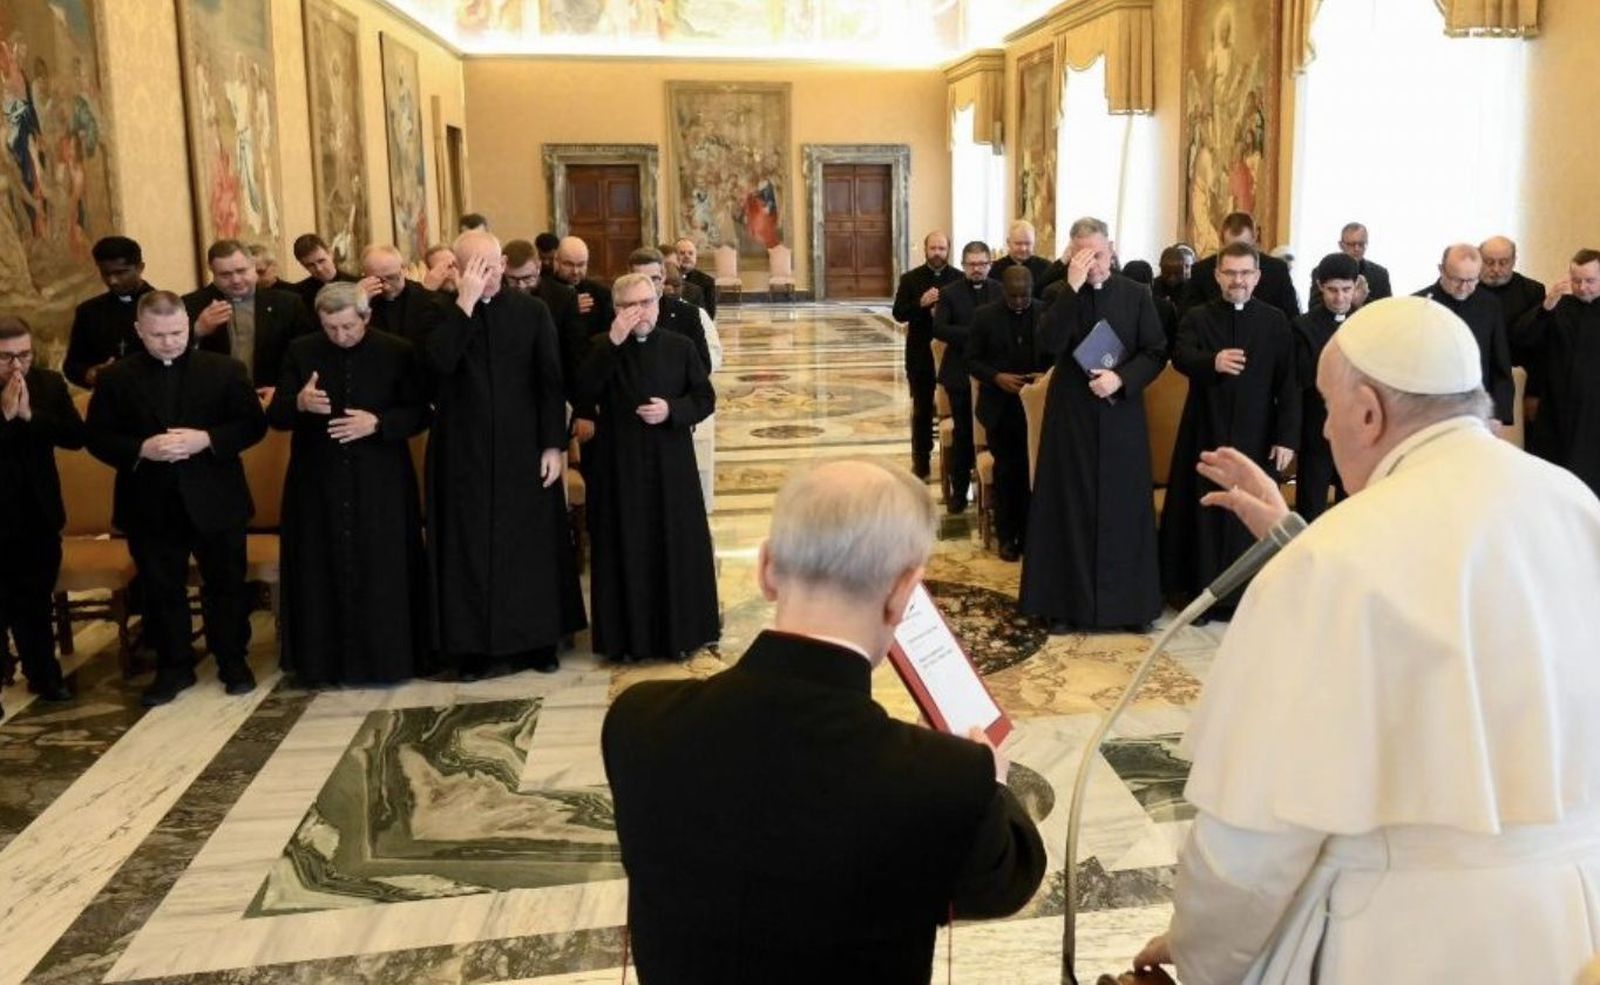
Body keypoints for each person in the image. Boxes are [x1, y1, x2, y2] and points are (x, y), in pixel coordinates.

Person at [1132, 296, 1600, 985]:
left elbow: (1252, 842)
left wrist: (1199, 948)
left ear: (1369, 412)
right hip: (1574, 925)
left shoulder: (1332, 560)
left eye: (1327, 406)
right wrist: (1295, 536)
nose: (1324, 428)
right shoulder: (1575, 503)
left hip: (1400, 941)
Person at [602, 458, 1046, 982]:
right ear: (903, 594)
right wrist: (992, 784)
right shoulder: (943, 776)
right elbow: (1005, 881)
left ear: (766, 568)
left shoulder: (637, 722)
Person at [86, 291, 267, 706]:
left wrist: (208, 439)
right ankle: (173, 667)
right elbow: (96, 437)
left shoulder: (225, 370)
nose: (169, 342)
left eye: (176, 333)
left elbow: (252, 425)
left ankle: (232, 661)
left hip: (216, 498)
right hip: (149, 501)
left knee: (226, 584)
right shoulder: (116, 378)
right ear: (139, 330)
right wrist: (140, 449)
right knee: (160, 588)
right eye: (158, 335)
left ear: (188, 325)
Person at [422, 230, 586, 677]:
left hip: (524, 450)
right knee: (468, 550)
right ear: (458, 269)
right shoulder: (438, 312)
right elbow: (436, 367)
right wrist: (464, 304)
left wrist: (553, 444)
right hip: (462, 454)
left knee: (529, 547)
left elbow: (550, 381)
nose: (489, 275)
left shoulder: (532, 311)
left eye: (493, 266)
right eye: (477, 268)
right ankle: (472, 649)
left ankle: (538, 642)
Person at [266, 283, 431, 687]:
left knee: (382, 569)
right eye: (331, 328)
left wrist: (378, 423)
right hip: (317, 482)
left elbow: (420, 413)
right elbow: (277, 417)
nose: (340, 336)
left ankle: (387, 660)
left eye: (348, 327)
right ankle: (323, 664)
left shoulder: (397, 351)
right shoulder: (301, 351)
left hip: (380, 482)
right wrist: (299, 403)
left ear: (366, 316)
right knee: (320, 570)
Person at [1020, 217, 1168, 633]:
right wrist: (1071, 287)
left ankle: (1131, 608)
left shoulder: (1136, 295)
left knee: (1124, 508)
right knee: (1069, 506)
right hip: (1072, 416)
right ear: (1071, 255)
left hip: (1121, 414)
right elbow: (1047, 345)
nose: (1094, 266)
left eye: (1099, 256)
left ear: (1112, 249)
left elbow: (1155, 351)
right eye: (1083, 257)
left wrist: (1120, 379)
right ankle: (1065, 608)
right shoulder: (1058, 293)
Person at [576, 273, 719, 663]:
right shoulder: (601, 346)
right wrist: (613, 342)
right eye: (630, 305)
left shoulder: (680, 346)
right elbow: (583, 390)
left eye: (648, 302)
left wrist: (673, 410)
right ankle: (628, 640)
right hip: (619, 465)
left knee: (674, 545)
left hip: (671, 464)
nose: (641, 312)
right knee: (626, 546)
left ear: (658, 303)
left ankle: (681, 633)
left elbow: (704, 398)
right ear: (616, 309)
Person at [1158, 242, 1298, 618]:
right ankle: (1200, 595)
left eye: (1245, 273)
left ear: (1257, 277)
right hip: (1205, 430)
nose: (1238, 281)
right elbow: (1181, 356)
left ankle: (1245, 599)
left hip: (1257, 434)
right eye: (1231, 273)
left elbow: (1288, 384)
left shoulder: (1275, 322)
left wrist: (1286, 436)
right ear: (1218, 276)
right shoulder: (1198, 317)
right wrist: (1213, 361)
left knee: (1248, 515)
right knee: (1204, 514)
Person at [0, 316, 85, 712]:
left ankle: (44, 674)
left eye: (25, 355)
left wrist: (30, 416)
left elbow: (75, 437)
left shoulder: (48, 384)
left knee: (35, 600)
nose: (17, 365)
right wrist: (4, 416)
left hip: (38, 510)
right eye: (6, 357)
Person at [966, 267, 1049, 561]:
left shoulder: (1045, 312)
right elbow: (971, 360)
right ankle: (1006, 536)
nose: (1018, 301)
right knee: (1007, 472)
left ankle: (1031, 536)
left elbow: (1058, 355)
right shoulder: (984, 316)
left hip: (1037, 408)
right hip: (1001, 407)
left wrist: (1045, 376)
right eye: (1013, 296)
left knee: (1034, 473)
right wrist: (997, 377)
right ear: (1003, 291)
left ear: (1031, 290)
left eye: (1024, 295)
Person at [630, 247, 723, 511]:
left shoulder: (687, 315)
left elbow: (702, 367)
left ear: (662, 277)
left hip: (674, 424)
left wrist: (673, 406)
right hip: (631, 430)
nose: (649, 286)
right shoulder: (617, 316)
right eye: (641, 279)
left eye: (654, 279)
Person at [183, 239, 314, 392]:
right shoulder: (192, 305)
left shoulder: (287, 304)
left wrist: (284, 389)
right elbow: (172, 359)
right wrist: (197, 331)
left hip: (272, 396)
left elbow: (305, 355)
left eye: (241, 271)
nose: (236, 280)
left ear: (253, 267)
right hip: (214, 397)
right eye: (225, 275)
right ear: (213, 272)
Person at [1521, 249, 1600, 495]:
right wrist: (1545, 307)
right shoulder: (1558, 306)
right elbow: (1524, 341)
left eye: (1590, 281)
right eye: (1576, 281)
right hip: (1557, 408)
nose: (1582, 288)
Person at [1413, 244, 1515, 426]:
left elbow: (1500, 365)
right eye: (1457, 280)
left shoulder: (1490, 304)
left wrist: (1498, 414)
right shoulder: (1418, 304)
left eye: (1471, 280)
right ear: (1441, 270)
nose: (1464, 287)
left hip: (1476, 410)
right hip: (1430, 409)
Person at [932, 240, 1000, 512]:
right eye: (972, 264)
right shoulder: (950, 293)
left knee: (995, 433)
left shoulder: (1000, 290)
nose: (977, 269)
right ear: (963, 266)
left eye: (982, 264)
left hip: (993, 375)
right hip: (959, 374)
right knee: (963, 435)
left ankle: (994, 493)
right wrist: (976, 334)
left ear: (990, 265)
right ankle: (959, 492)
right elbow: (939, 329)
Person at [1293, 253, 1359, 520]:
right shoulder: (1303, 326)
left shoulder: (1366, 322)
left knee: (1351, 509)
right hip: (1316, 428)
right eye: (1332, 290)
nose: (1340, 297)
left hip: (1356, 432)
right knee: (1310, 509)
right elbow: (1300, 378)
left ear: (1356, 285)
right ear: (1320, 286)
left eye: (1346, 289)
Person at [892, 231, 960, 480]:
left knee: (957, 408)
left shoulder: (958, 279)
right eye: (933, 248)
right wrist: (920, 304)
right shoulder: (910, 279)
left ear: (948, 250)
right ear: (925, 249)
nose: (937, 253)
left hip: (953, 356)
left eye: (942, 248)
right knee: (921, 409)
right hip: (920, 355)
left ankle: (956, 461)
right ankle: (921, 460)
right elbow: (899, 314)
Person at [64, 235, 155, 388]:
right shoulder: (88, 312)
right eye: (106, 273)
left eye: (120, 273)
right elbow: (72, 366)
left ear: (140, 268)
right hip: (107, 399)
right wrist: (89, 374)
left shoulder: (165, 307)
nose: (113, 281)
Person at [502, 238, 586, 397]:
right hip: (507, 387)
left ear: (538, 267)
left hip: (549, 387)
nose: (521, 286)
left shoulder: (563, 297)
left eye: (527, 278)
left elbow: (573, 354)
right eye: (512, 279)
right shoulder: (495, 297)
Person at [1183, 212, 1301, 320]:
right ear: (1221, 241)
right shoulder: (1202, 271)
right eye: (1231, 249)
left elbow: (1291, 318)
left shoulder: (1276, 271)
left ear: (1254, 238)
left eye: (1244, 248)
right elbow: (1189, 319)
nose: (1238, 255)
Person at [1481, 234, 1548, 368]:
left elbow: (1536, 339)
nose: (1496, 269)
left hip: (1517, 367)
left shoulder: (1532, 290)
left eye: (1503, 262)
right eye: (1489, 262)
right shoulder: (1467, 287)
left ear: (1514, 261)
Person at [359, 243, 439, 347]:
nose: (386, 287)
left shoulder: (428, 301)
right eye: (377, 280)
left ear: (403, 270)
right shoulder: (360, 296)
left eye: (392, 278)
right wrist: (358, 303)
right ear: (365, 276)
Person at [553, 235, 616, 338]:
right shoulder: (544, 290)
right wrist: (568, 307)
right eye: (569, 264)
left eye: (581, 265)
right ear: (556, 261)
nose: (575, 271)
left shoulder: (602, 294)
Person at [288, 233, 358, 313]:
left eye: (321, 261)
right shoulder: (298, 294)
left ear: (331, 254)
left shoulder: (356, 285)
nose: (319, 269)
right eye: (311, 265)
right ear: (303, 265)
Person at [990, 219, 1051, 298]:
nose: (1023, 248)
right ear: (1008, 242)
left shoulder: (1046, 268)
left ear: (1034, 243)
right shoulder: (996, 268)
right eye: (1018, 243)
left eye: (1027, 243)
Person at [674, 237, 718, 319]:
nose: (687, 256)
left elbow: (710, 314)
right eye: (682, 253)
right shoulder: (667, 279)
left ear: (695, 257)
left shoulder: (707, 282)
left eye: (690, 253)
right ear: (674, 256)